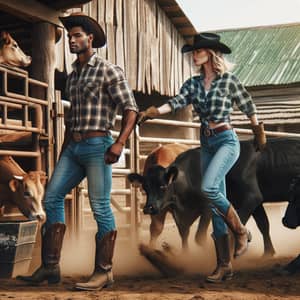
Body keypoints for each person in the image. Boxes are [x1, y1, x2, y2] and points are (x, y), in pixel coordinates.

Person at [17, 13, 138, 291]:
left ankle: (104, 271)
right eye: (69, 36)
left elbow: (131, 108)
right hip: (73, 147)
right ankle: (50, 266)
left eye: (77, 36)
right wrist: (62, 156)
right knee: (52, 198)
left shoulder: (109, 70)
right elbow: (70, 123)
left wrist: (119, 143)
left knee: (99, 206)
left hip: (99, 146)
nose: (71, 40)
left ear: (90, 39)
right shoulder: (72, 78)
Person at [138, 32, 266, 283]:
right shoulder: (192, 85)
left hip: (226, 141)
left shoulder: (228, 81)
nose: (194, 55)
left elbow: (248, 104)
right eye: (194, 51)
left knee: (208, 188)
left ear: (210, 53)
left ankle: (240, 231)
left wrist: (257, 130)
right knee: (216, 203)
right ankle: (224, 265)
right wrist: (153, 111)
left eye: (198, 51)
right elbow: (176, 102)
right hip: (206, 143)